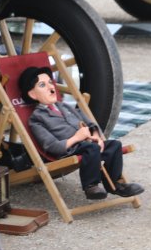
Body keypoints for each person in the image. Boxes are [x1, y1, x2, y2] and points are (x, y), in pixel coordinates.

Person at [18, 64, 143, 202]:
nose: (50, 87)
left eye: (50, 82)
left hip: (88, 144)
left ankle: (115, 184)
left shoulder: (64, 106)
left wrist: (96, 136)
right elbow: (52, 146)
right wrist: (77, 138)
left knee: (114, 145)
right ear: (32, 94)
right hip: (69, 149)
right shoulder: (37, 119)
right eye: (42, 85)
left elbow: (90, 123)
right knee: (91, 149)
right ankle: (91, 186)